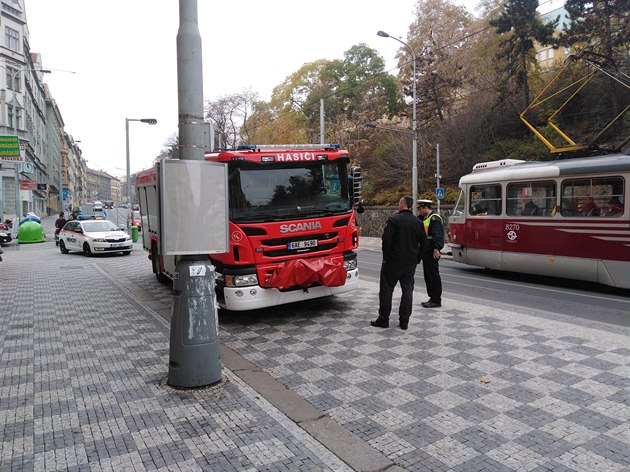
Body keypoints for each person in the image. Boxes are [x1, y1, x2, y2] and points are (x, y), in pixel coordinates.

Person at [371, 196, 425, 330]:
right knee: (407, 291)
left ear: (402, 205)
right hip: (410, 263)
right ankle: (404, 321)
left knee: (386, 290)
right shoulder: (418, 223)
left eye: (399, 202)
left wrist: (386, 258)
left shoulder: (394, 220)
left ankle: (383, 319)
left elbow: (386, 241)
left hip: (393, 261)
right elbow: (424, 244)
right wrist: (417, 259)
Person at [418, 199, 445, 308]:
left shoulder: (434, 219)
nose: (419, 210)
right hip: (426, 251)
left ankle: (436, 299)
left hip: (431, 252)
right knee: (428, 275)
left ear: (425, 207)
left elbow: (438, 235)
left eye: (420, 208)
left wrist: (436, 248)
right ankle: (432, 297)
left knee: (433, 276)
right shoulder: (425, 218)